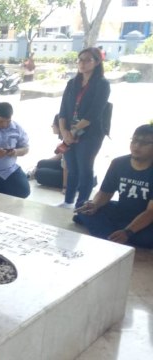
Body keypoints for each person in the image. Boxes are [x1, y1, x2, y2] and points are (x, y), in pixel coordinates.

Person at [73, 124, 153, 248]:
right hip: (121, 211)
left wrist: (128, 231)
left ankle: (112, 235)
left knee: (148, 237)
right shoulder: (118, 163)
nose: (137, 145)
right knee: (83, 205)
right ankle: (116, 237)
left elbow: (150, 212)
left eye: (145, 142)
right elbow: (105, 192)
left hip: (146, 220)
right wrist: (95, 205)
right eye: (135, 140)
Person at [57, 47, 110, 209]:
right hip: (69, 132)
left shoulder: (102, 84)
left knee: (84, 168)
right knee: (71, 168)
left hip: (90, 133)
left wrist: (72, 131)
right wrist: (64, 131)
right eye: (80, 60)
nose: (82, 63)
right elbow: (63, 110)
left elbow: (95, 112)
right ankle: (68, 201)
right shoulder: (72, 83)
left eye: (88, 60)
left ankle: (81, 204)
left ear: (97, 62)